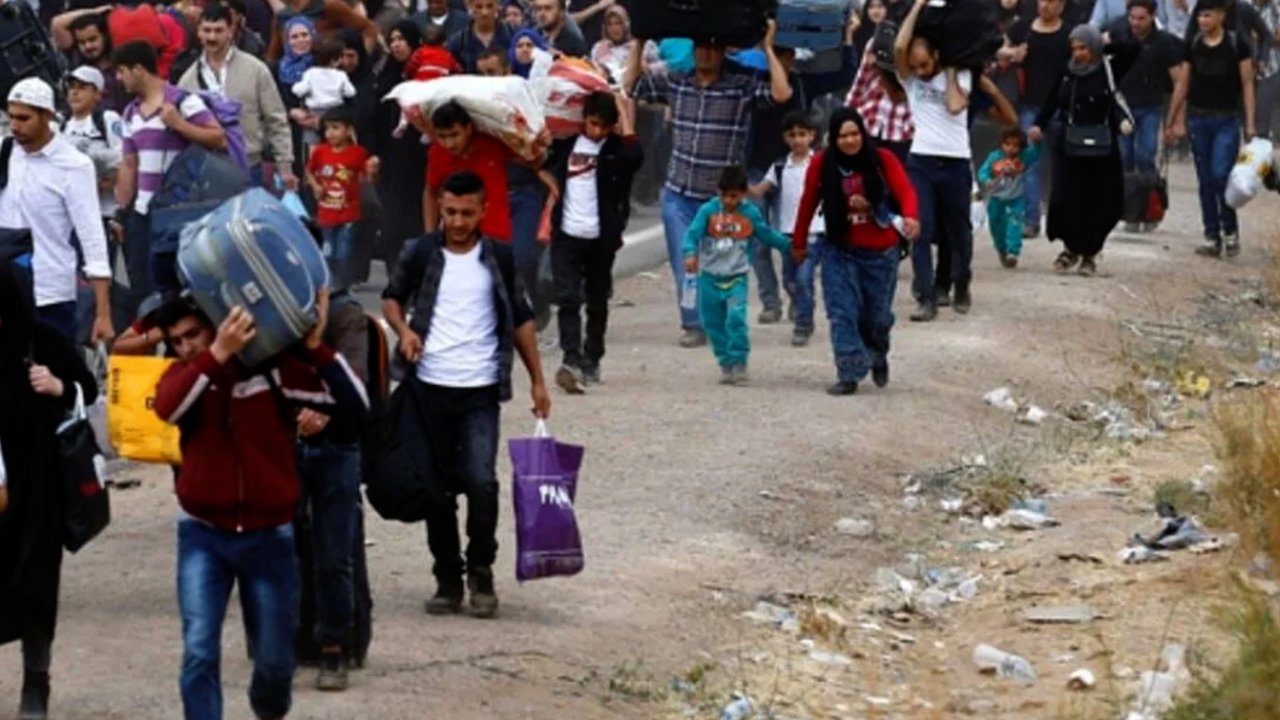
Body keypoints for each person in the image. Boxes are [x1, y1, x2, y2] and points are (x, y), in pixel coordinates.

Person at [152, 292, 368, 720]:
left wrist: (314, 348)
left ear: (218, 320)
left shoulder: (273, 372)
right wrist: (215, 354)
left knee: (274, 660)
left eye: (194, 334)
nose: (187, 346)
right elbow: (167, 407)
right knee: (198, 649)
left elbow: (356, 404)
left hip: (269, 537)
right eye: (176, 341)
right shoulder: (185, 376)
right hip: (203, 535)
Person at [381, 170, 551, 620]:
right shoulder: (419, 253)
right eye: (450, 211)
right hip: (428, 389)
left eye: (467, 213)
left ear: (484, 211)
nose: (457, 221)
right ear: (439, 206)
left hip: (479, 391)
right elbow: (391, 297)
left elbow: (520, 316)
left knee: (481, 480)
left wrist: (537, 378)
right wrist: (403, 332)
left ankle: (481, 570)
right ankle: (447, 578)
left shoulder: (499, 257)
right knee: (435, 490)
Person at [625, 20, 794, 348]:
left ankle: (720, 318)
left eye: (713, 46)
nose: (705, 53)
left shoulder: (741, 84)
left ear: (723, 50)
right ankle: (693, 324)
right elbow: (632, 86)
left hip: (722, 200)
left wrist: (768, 48)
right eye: (700, 45)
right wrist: (639, 40)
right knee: (685, 263)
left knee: (723, 266)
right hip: (679, 193)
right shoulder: (677, 81)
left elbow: (781, 93)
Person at [0, 266, 99, 720]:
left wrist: (59, 387)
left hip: (37, 488)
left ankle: (35, 682)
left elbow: (88, 388)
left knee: (35, 584)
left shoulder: (41, 340)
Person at [791, 108, 920, 395]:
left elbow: (906, 191)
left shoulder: (882, 160)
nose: (849, 141)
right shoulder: (821, 164)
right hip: (839, 249)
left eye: (854, 134)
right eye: (843, 136)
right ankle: (848, 372)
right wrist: (798, 244)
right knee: (841, 311)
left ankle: (877, 354)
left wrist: (911, 217)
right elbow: (808, 203)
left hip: (880, 252)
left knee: (877, 317)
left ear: (862, 133)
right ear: (833, 138)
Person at [114, 41, 226, 315]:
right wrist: (120, 213)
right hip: (143, 215)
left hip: (178, 213)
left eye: (121, 71)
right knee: (144, 289)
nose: (118, 78)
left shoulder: (183, 100)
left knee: (177, 288)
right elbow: (130, 164)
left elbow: (218, 138)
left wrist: (179, 125)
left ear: (138, 69)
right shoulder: (131, 112)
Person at [0, 78, 114, 345]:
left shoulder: (74, 166)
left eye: (24, 118)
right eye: (11, 117)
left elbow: (92, 239)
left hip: (50, 296)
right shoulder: (5, 152)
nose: (15, 126)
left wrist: (103, 313)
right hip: (5, 294)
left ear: (47, 116)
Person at [548, 91, 643, 393]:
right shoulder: (565, 145)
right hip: (566, 234)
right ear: (583, 120)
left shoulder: (616, 150)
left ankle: (592, 357)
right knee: (567, 298)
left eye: (605, 125)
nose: (598, 131)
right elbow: (535, 159)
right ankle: (570, 358)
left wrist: (623, 111)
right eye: (592, 124)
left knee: (597, 302)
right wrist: (552, 189)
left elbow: (636, 156)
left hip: (601, 239)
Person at [894, 0, 975, 321]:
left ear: (937, 57)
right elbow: (900, 45)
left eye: (925, 65)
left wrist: (952, 68)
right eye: (915, 67)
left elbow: (955, 106)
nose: (919, 72)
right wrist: (918, 6)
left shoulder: (961, 75)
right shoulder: (911, 81)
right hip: (922, 162)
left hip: (955, 161)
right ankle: (925, 297)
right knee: (920, 229)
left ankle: (962, 280)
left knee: (959, 231)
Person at [1029, 24, 1128, 275]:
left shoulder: (1108, 68)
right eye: (1074, 48)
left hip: (1101, 146)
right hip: (1069, 144)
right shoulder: (1067, 71)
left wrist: (1106, 44)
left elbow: (1133, 49)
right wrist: (1039, 123)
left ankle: (1090, 253)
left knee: (1097, 200)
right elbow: (1053, 98)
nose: (1078, 53)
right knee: (1067, 197)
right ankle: (1070, 248)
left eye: (1084, 47)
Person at [680, 166, 791, 385]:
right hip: (709, 277)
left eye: (734, 196)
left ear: (743, 194)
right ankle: (725, 362)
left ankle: (740, 361)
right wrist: (690, 254)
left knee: (736, 319)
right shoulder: (708, 211)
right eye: (724, 195)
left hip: (736, 278)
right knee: (713, 323)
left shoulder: (750, 214)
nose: (728, 201)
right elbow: (692, 234)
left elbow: (766, 234)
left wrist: (790, 246)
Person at [1168, 0, 1258, 257]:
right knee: (1205, 179)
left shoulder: (1236, 44)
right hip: (1199, 119)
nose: (1203, 21)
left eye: (1208, 16)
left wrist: (1250, 123)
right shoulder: (1193, 46)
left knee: (1221, 174)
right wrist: (1173, 120)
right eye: (1200, 17)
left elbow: (1247, 84)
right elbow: (1182, 85)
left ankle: (1230, 229)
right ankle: (1212, 234)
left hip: (1227, 120)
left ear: (1221, 16)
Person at [178, 2, 296, 189]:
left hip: (250, 166)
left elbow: (276, 120)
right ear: (198, 33)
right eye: (207, 30)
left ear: (230, 31)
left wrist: (285, 167)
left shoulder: (256, 69)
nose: (212, 36)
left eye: (218, 30)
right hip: (208, 171)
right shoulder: (187, 80)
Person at [1108, 0, 1185, 232]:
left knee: (1145, 155)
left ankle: (1150, 209)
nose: (1136, 23)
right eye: (1132, 18)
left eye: (1141, 18)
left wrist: (1177, 120)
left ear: (1152, 17)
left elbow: (1179, 79)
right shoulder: (1119, 35)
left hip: (1151, 106)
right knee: (1125, 158)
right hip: (1124, 106)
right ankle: (1130, 211)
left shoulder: (1163, 43)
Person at [750, 110, 824, 347]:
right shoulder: (780, 166)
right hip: (787, 233)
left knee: (803, 278)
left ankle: (803, 325)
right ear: (785, 138)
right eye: (792, 135)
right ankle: (803, 303)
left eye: (802, 134)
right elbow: (761, 189)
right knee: (790, 280)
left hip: (814, 232)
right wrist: (740, 189)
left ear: (812, 136)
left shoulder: (820, 164)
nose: (797, 140)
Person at [1000, 0, 1072, 239]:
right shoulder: (1023, 29)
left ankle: (1061, 220)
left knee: (1061, 166)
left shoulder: (1069, 33)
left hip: (1060, 109)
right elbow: (999, 50)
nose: (1045, 5)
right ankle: (1031, 220)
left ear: (1061, 6)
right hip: (1030, 107)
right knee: (1029, 165)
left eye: (1052, 1)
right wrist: (1012, 53)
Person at [371, 21, 427, 277]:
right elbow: (377, 119)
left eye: (402, 39)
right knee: (392, 223)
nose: (396, 44)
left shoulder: (427, 76)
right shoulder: (387, 77)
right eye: (392, 39)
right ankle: (397, 277)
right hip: (393, 162)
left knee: (417, 221)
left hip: (421, 159)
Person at [307, 108, 380, 291]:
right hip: (326, 213)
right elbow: (309, 171)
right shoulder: (320, 152)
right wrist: (316, 186)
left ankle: (342, 285)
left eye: (335, 128)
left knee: (344, 251)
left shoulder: (358, 153)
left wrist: (373, 172)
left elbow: (367, 180)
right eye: (327, 129)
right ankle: (328, 285)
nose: (330, 133)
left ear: (348, 130)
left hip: (348, 213)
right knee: (328, 251)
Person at [977, 127, 1042, 268]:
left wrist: (1037, 142)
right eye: (1007, 144)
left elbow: (1037, 153)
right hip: (996, 198)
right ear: (1001, 143)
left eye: (1015, 146)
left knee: (1015, 222)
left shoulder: (1024, 157)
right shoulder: (994, 157)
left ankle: (1013, 251)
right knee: (996, 225)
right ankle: (1001, 248)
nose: (1011, 149)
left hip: (1016, 198)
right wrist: (986, 179)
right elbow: (983, 171)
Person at [51, 7, 129, 112]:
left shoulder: (120, 57)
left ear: (104, 36)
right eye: (82, 42)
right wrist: (96, 12)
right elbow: (57, 23)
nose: (88, 46)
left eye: (92, 39)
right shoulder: (77, 60)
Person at [265, 0, 380, 62]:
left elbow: (369, 29)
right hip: (295, 84)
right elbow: (273, 56)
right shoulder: (280, 17)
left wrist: (358, 61)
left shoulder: (331, 7)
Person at [448, 0, 515, 74]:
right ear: (470, 7)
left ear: (497, 6)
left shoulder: (512, 35)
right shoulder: (459, 41)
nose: (484, 12)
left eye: (490, 6)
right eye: (479, 7)